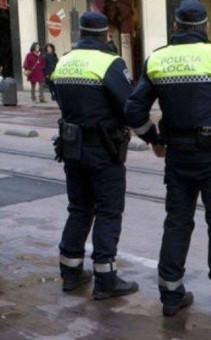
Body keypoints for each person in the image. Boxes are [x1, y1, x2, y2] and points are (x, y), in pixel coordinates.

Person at [124, 1, 211, 326]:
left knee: (177, 223)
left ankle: (171, 296)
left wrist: (154, 140)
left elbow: (133, 111)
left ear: (175, 27)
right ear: (205, 28)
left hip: (177, 157)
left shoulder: (157, 58)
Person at [50, 12, 138, 299]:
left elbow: (58, 97)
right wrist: (152, 137)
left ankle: (71, 273)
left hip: (71, 146)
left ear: (81, 33)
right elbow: (129, 106)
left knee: (79, 208)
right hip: (103, 149)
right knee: (108, 211)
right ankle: (105, 279)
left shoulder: (64, 61)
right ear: (105, 35)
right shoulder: (110, 62)